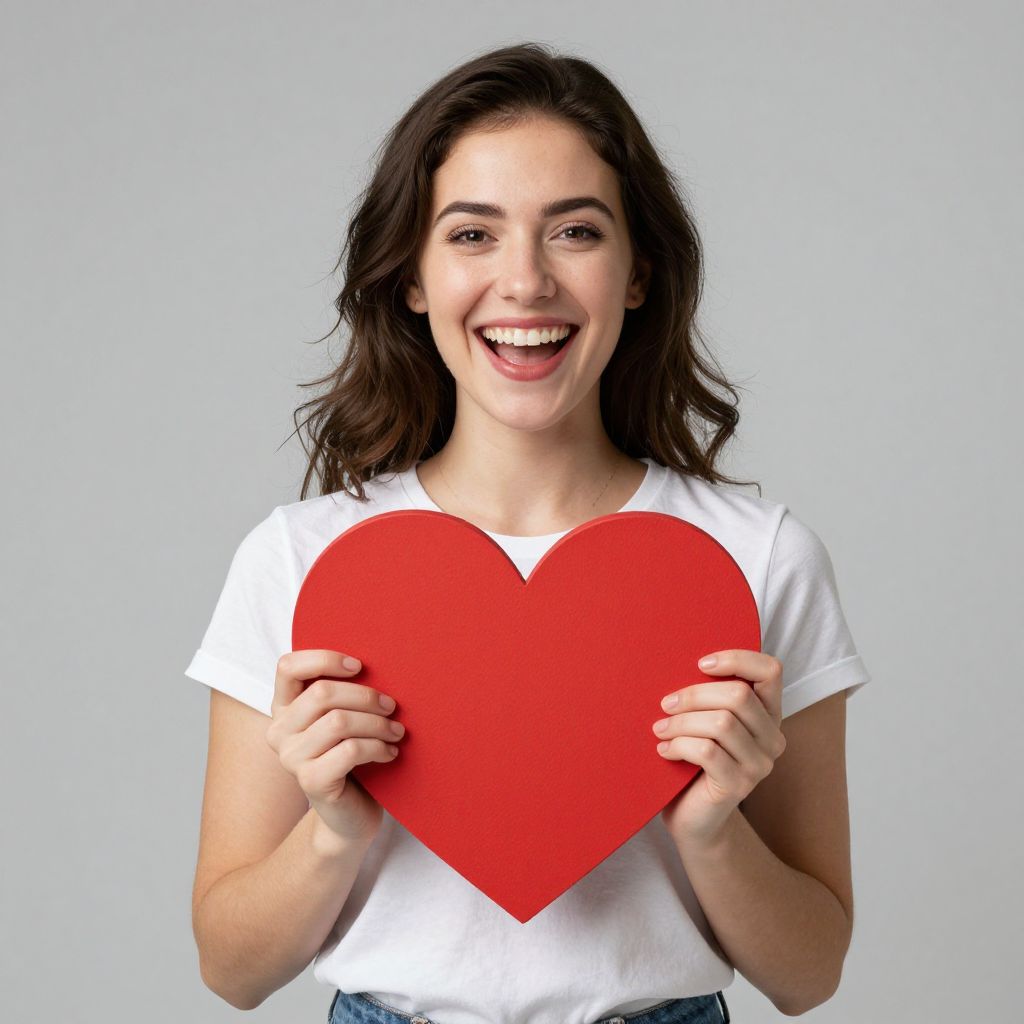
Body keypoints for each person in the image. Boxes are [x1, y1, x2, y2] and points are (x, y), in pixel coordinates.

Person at [184, 42, 871, 1024]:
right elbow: (231, 969)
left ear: (637, 273)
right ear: (412, 277)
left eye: (575, 232)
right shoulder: (300, 562)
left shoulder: (757, 560)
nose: (525, 281)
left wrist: (712, 828)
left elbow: (810, 976)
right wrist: (333, 829)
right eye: (472, 234)